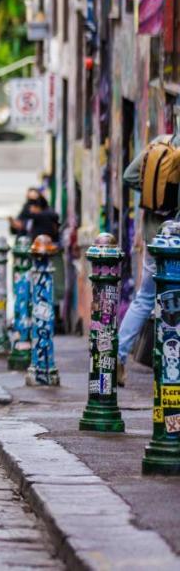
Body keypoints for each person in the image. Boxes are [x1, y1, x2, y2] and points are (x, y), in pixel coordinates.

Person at [117, 130, 180, 384]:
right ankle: (170, 365)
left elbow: (129, 176)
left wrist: (156, 197)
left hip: (153, 234)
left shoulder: (160, 142)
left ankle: (118, 358)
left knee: (144, 298)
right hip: (174, 236)